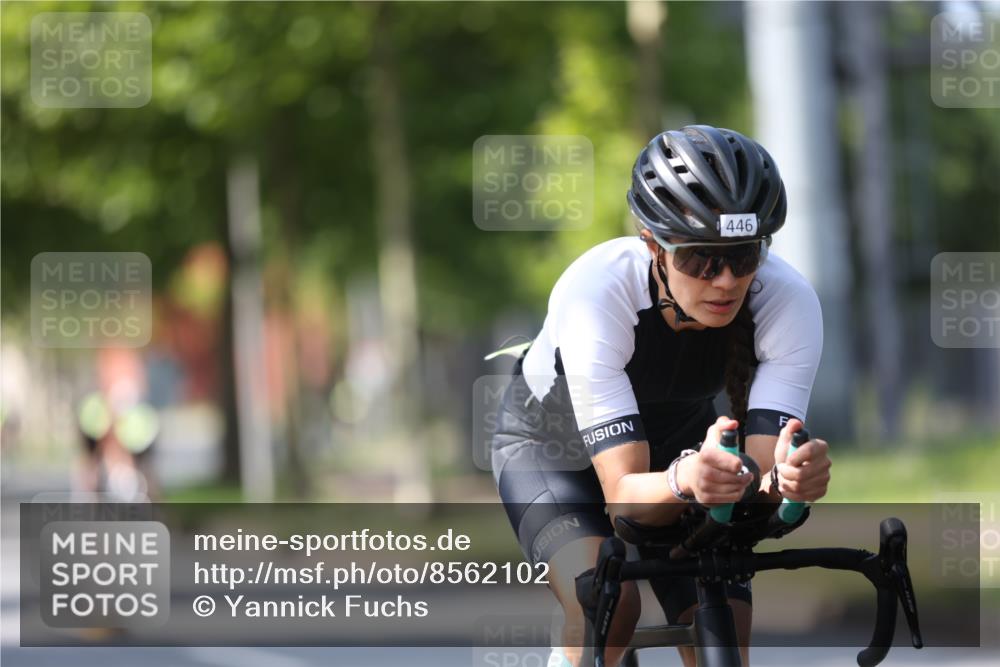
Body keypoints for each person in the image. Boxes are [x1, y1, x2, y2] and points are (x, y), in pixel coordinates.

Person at [489, 124, 833, 667]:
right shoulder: (597, 291)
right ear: (653, 245)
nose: (725, 281)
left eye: (744, 256)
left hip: (679, 442)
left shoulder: (788, 301)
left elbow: (760, 480)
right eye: (700, 258)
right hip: (553, 452)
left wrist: (786, 482)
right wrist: (686, 480)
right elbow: (624, 496)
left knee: (718, 622)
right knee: (607, 601)